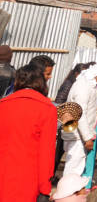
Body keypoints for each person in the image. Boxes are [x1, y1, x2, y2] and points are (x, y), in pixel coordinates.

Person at [0, 64, 57, 202]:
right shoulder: (47, 109)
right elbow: (46, 153)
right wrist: (45, 189)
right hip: (27, 181)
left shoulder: (3, 104)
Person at [62, 63, 97, 178]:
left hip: (78, 134)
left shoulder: (87, 85)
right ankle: (68, 193)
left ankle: (70, 192)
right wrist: (88, 138)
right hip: (77, 135)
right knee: (74, 169)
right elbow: (80, 114)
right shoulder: (83, 87)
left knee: (75, 166)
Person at [54, 64, 88, 178]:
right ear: (77, 74)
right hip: (64, 120)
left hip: (65, 119)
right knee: (58, 152)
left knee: (61, 151)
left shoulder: (72, 83)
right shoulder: (71, 84)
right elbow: (59, 102)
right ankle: (51, 175)